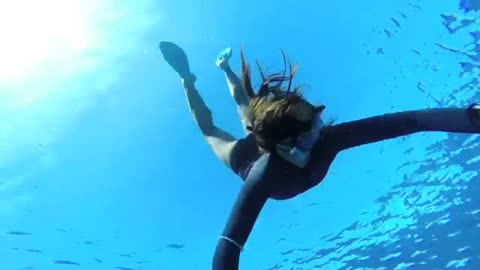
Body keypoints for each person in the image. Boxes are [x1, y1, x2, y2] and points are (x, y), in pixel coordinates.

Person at [159, 41, 480, 269]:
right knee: (211, 130)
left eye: (317, 118)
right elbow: (229, 246)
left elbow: (413, 121)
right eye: (313, 126)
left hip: (271, 139)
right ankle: (187, 79)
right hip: (244, 157)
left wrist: (473, 117)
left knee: (248, 107)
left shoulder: (327, 139)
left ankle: (224, 68)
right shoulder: (261, 176)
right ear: (288, 144)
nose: (322, 127)